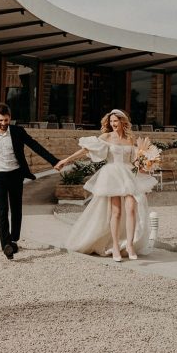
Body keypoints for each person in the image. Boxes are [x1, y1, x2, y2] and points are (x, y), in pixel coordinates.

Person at [54, 109, 157, 261]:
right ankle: (115, 246)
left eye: (116, 121)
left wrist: (146, 164)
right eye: (111, 121)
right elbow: (85, 150)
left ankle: (129, 244)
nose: (113, 124)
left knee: (132, 209)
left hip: (129, 175)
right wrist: (66, 160)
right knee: (116, 212)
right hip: (112, 175)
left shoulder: (130, 139)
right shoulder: (106, 137)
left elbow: (135, 161)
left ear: (123, 121)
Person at [0, 103, 60, 260]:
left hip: (15, 175)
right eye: (0, 120)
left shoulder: (17, 132)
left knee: (16, 209)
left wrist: (54, 161)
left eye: (6, 120)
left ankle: (14, 239)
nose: (3, 124)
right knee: (2, 211)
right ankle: (6, 244)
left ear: (10, 118)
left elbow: (35, 146)